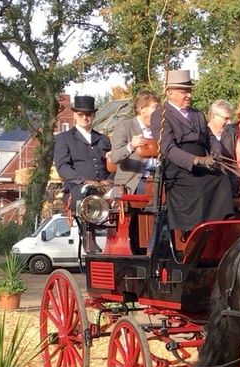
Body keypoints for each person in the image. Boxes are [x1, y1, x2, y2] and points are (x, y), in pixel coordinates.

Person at [157, 69, 234, 235]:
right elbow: (168, 149)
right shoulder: (161, 115)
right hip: (178, 168)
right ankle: (192, 230)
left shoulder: (197, 114)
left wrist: (215, 152)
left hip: (202, 164)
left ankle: (217, 228)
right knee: (199, 186)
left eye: (190, 91)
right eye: (184, 92)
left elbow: (211, 138)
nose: (189, 96)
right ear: (170, 93)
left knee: (223, 181)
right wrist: (197, 160)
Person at [53, 95, 112, 253]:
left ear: (93, 115)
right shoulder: (64, 139)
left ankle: (121, 239)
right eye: (81, 114)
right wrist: (84, 181)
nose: (85, 117)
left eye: (89, 114)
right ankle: (89, 238)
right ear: (74, 115)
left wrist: (110, 181)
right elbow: (62, 167)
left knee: (125, 194)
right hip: (77, 188)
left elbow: (113, 165)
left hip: (105, 187)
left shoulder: (103, 139)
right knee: (89, 192)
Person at [107, 91, 161, 195]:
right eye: (155, 107)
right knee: (160, 193)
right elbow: (114, 157)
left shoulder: (159, 130)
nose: (159, 112)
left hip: (157, 179)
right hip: (132, 183)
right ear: (141, 109)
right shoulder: (124, 126)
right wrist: (131, 146)